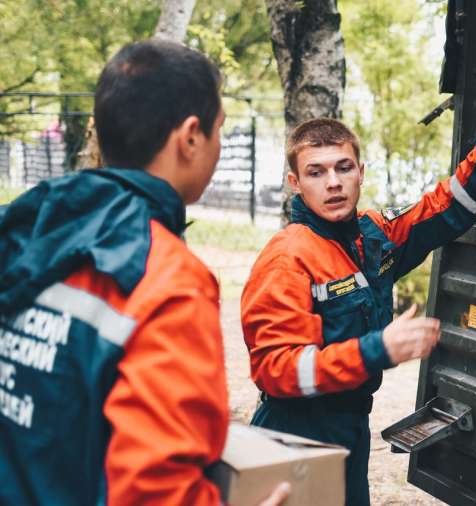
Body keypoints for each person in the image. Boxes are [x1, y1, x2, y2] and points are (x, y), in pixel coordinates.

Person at [0, 39, 288, 506]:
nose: (218, 145)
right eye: (219, 129)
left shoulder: (29, 227)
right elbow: (153, 493)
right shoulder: (168, 279)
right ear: (190, 137)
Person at [240, 68, 476, 505]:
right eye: (316, 173)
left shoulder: (373, 236)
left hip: (350, 429)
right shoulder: (287, 259)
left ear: (360, 172)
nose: (333, 182)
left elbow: (447, 209)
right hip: (294, 435)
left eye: (343, 167)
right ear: (295, 184)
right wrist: (378, 349)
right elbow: (277, 371)